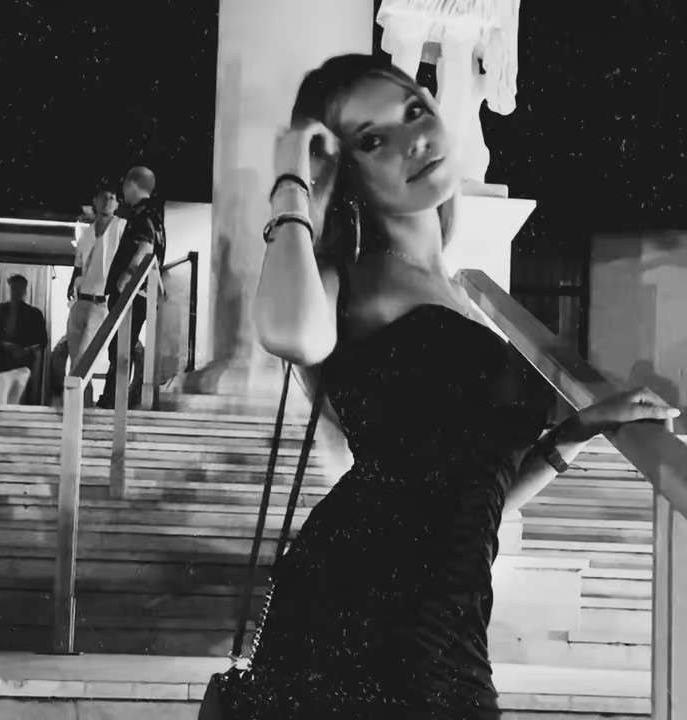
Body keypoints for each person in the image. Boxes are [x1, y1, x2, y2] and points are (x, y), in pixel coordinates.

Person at [201, 54, 679, 719]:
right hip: (362, 608)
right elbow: (289, 334)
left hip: (446, 608)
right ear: (345, 168)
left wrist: (578, 430)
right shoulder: (350, 280)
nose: (414, 140)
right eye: (374, 139)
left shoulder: (461, 291)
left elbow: (474, 490)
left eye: (415, 110)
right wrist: (291, 182)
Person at [96, 166, 166, 409]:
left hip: (133, 292)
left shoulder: (141, 215)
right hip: (142, 292)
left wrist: (124, 280)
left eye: (125, 184)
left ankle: (113, 399)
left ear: (132, 184)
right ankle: (113, 398)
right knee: (121, 347)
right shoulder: (155, 216)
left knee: (120, 348)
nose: (123, 190)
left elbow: (144, 250)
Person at [66, 185, 126, 403]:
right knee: (76, 358)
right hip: (80, 299)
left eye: (112, 197)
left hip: (101, 302)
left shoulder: (121, 227)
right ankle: (85, 405)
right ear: (95, 201)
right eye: (104, 197)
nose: (108, 200)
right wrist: (72, 284)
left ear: (118, 203)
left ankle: (74, 406)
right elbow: (79, 264)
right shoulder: (87, 232)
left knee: (83, 359)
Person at [0, 274, 48, 405]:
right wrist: (4, 344)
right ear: (10, 289)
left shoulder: (34, 314)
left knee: (13, 403)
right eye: (14, 288)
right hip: (1, 364)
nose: (16, 292)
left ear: (25, 290)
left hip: (21, 365)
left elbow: (42, 341)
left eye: (19, 288)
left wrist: (25, 350)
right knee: (1, 403)